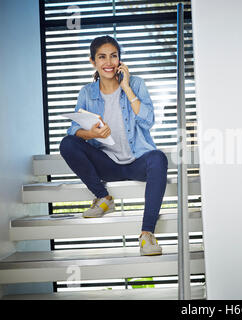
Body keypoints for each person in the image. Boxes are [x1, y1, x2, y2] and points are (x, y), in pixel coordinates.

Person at [59, 35, 168, 256]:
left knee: (159, 158)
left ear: (120, 60)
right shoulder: (87, 93)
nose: (108, 62)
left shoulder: (136, 84)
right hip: (107, 163)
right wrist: (91, 133)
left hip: (138, 161)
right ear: (93, 62)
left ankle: (147, 234)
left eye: (113, 56)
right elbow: (73, 130)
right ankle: (103, 197)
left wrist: (127, 88)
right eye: (102, 57)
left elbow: (148, 121)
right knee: (67, 143)